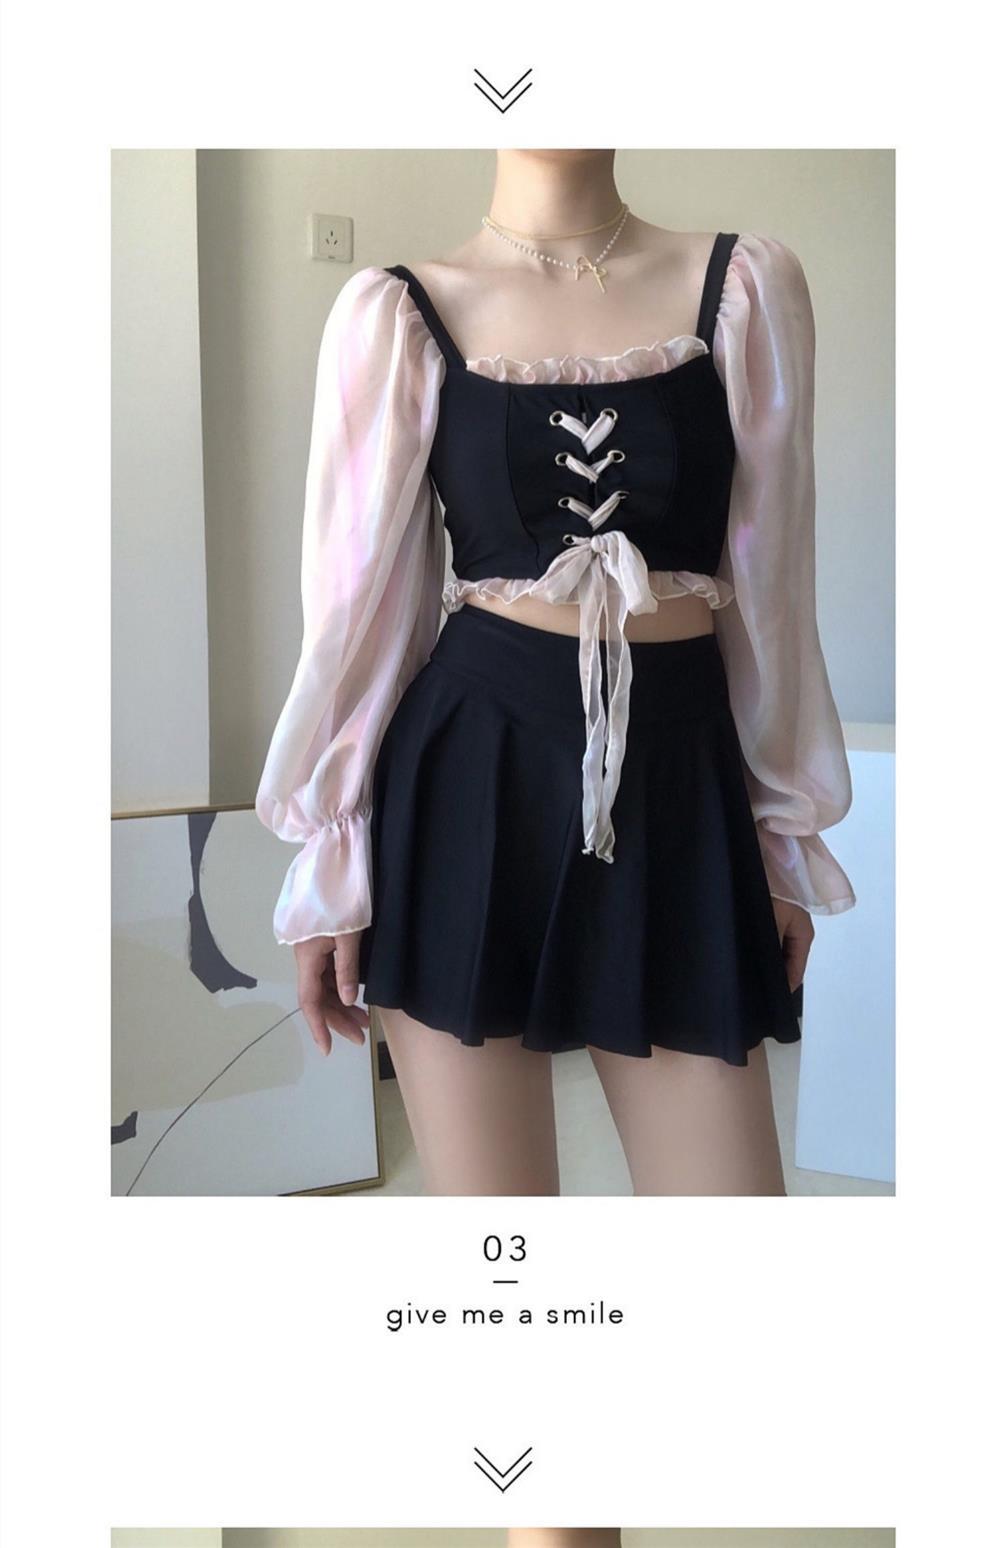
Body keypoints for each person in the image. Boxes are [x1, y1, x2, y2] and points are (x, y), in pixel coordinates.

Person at [255, 149, 855, 1197]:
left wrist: (780, 834)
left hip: (678, 787)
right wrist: (330, 863)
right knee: (504, 1246)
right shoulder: (398, 313)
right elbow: (355, 611)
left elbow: (773, 587)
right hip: (465, 785)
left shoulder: (744, 287)